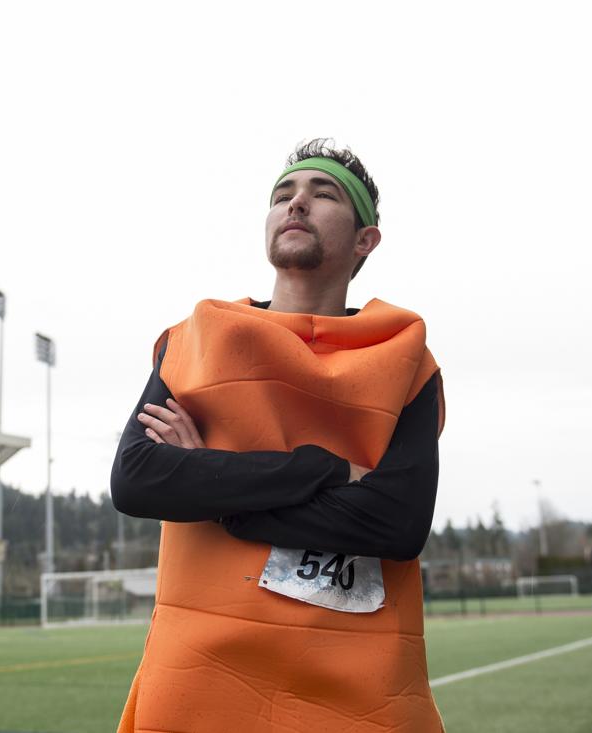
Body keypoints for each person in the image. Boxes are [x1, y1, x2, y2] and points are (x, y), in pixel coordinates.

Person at [110, 138, 445, 733]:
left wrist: (215, 490)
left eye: (324, 194)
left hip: (358, 686)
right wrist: (327, 470)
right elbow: (138, 481)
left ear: (365, 239)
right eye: (283, 196)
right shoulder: (197, 338)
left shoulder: (405, 357)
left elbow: (396, 524)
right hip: (202, 677)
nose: (297, 205)